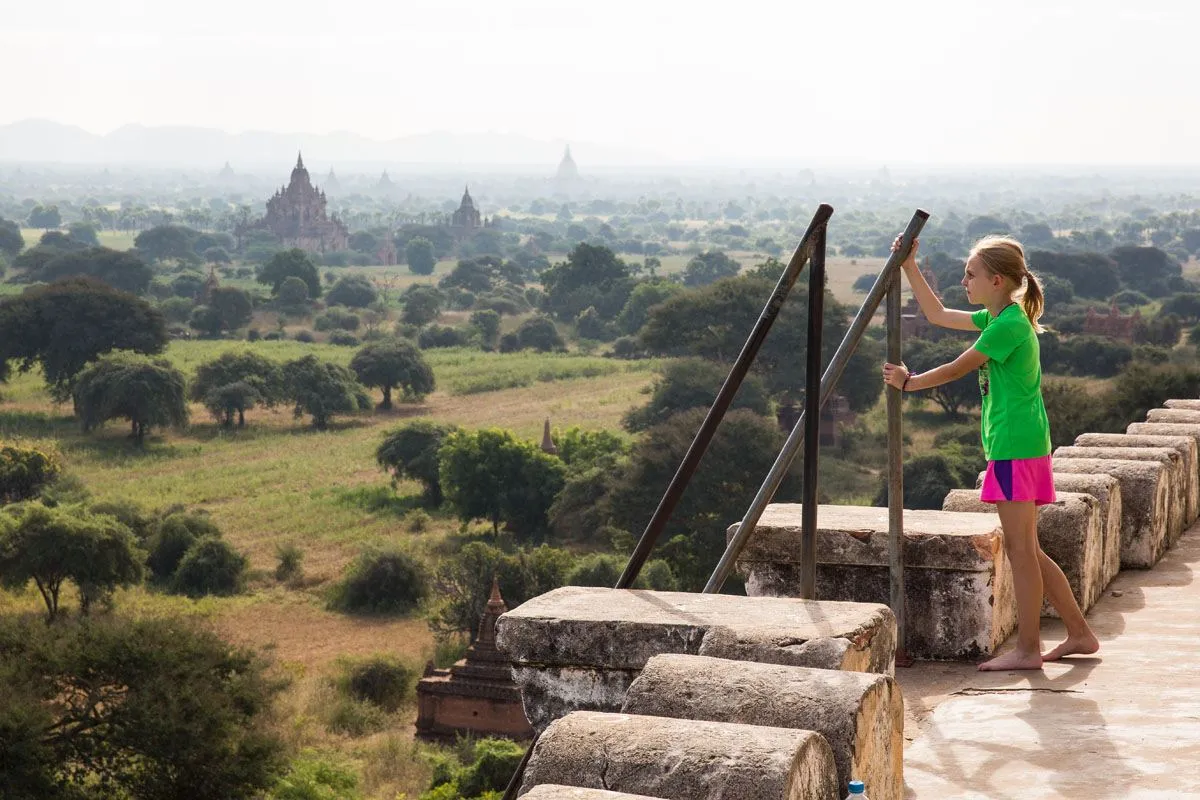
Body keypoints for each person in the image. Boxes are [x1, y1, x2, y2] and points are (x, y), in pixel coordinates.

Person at [882, 235, 1099, 671]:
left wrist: (909, 382)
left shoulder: (1007, 327)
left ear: (996, 280)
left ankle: (1028, 649)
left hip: (1016, 447)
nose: (965, 280)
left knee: (1020, 550)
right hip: (1020, 445)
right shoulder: (1000, 316)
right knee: (1029, 549)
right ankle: (1078, 633)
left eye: (971, 274)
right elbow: (937, 315)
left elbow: (958, 366)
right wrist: (909, 266)